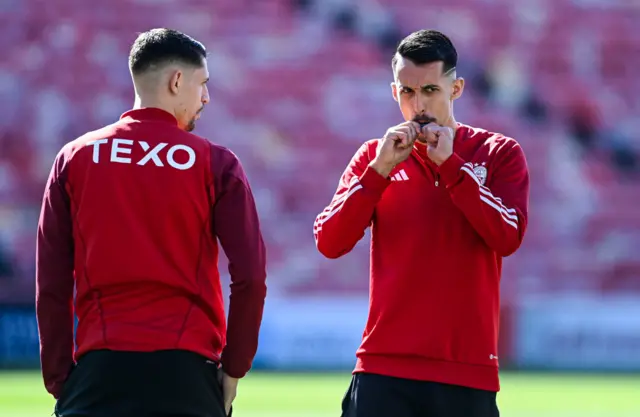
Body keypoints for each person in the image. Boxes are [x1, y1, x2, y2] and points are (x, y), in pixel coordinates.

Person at [36, 28, 267, 417]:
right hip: (187, 376)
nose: (206, 97)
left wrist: (60, 378)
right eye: (202, 84)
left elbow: (52, 283)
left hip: (99, 372)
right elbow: (251, 277)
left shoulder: (74, 158)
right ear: (178, 81)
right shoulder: (216, 163)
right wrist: (233, 368)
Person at [313, 29, 529, 417]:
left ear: (457, 88)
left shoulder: (498, 153)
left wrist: (452, 167)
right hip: (383, 367)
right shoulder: (374, 157)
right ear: (394, 92)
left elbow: (508, 237)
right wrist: (379, 171)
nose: (418, 104)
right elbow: (329, 241)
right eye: (407, 92)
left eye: (430, 89)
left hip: (466, 371)